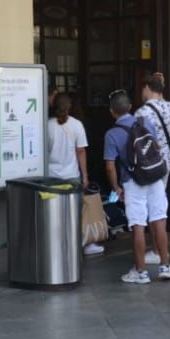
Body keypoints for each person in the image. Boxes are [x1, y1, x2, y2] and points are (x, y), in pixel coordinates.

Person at [114, 76, 170, 284]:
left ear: (149, 88)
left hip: (142, 165)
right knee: (158, 210)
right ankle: (162, 259)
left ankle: (149, 257)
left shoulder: (142, 113)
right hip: (162, 162)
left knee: (142, 216)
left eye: (143, 87)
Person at [46, 93, 102, 257]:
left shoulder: (47, 125)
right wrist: (85, 176)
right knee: (75, 213)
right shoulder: (77, 125)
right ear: (69, 107)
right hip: (71, 175)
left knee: (54, 214)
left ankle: (56, 247)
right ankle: (79, 244)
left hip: (51, 176)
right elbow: (81, 151)